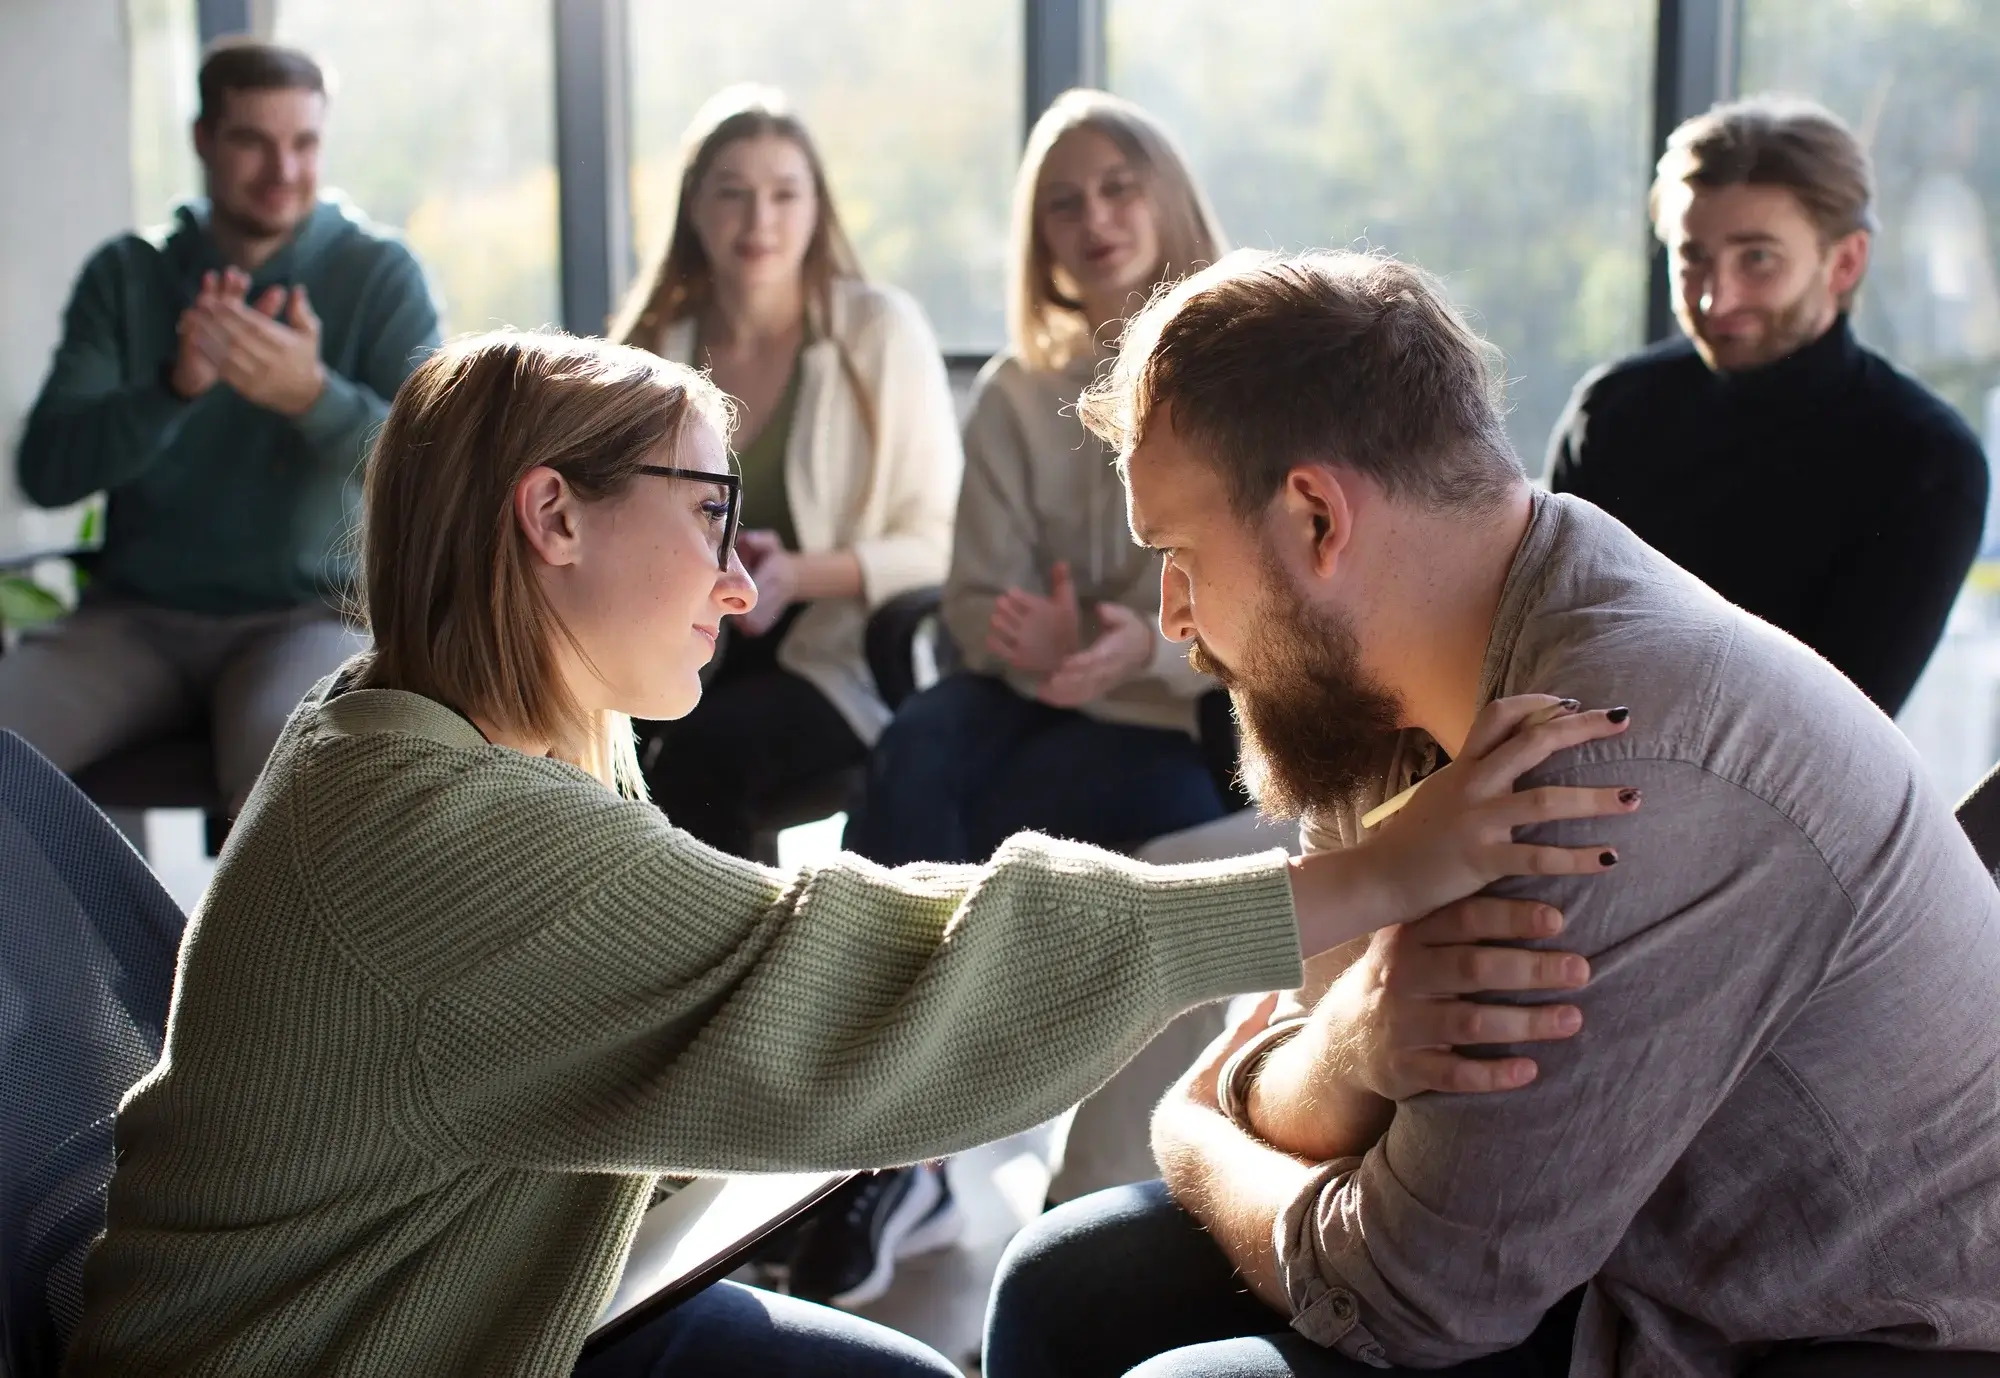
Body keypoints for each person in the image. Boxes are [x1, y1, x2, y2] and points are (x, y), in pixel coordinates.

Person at [58, 330, 1634, 1378]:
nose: (738, 582)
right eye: (709, 510)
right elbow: (845, 969)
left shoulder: (462, 733)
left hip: (512, 1301)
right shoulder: (431, 830)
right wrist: (1359, 880)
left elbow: (771, 961)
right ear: (552, 515)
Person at [981, 249, 2000, 1378]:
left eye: (1177, 553)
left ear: (1316, 516)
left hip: (1824, 1336)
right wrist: (1351, 1044)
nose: (1172, 616)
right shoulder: (1391, 676)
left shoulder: (1601, 764)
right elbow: (1326, 1058)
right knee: (1059, 1284)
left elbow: (1409, 1300)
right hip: (1620, 1254)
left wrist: (1188, 1126)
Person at [3, 38, 439, 812]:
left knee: (298, 794)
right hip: (132, 621)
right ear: (204, 141)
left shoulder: (378, 274)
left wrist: (312, 397)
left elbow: (438, 471)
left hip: (307, 617)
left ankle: (235, 943)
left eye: (303, 143)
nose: (284, 171)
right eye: (253, 141)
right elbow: (48, 471)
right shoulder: (128, 276)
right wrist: (172, 389)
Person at [845, 89, 1228, 868]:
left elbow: (1272, 593)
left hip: (1172, 708)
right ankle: (875, 982)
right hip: (1020, 690)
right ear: (1041, 236)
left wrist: (1138, 649)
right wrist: (1042, 645)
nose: (1094, 219)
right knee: (912, 755)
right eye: (1065, 204)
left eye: (1117, 188)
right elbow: (973, 597)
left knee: (1033, 807)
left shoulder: (1237, 372)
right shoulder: (1015, 391)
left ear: (1166, 196)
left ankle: (951, 981)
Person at [1549, 96, 1987, 719]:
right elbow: (1543, 649)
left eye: (1757, 259)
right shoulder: (1613, 410)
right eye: (1692, 257)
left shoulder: (1926, 461)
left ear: (1845, 262)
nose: (1713, 299)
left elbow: (1835, 727)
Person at [612, 85, 961, 860]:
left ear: (816, 209)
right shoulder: (652, 346)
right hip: (682, 637)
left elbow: (940, 544)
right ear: (693, 208)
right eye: (732, 193)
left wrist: (799, 575)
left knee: (704, 761)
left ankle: (739, 972)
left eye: (783, 194)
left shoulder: (877, 331)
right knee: (582, 737)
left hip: (839, 657)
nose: (758, 220)